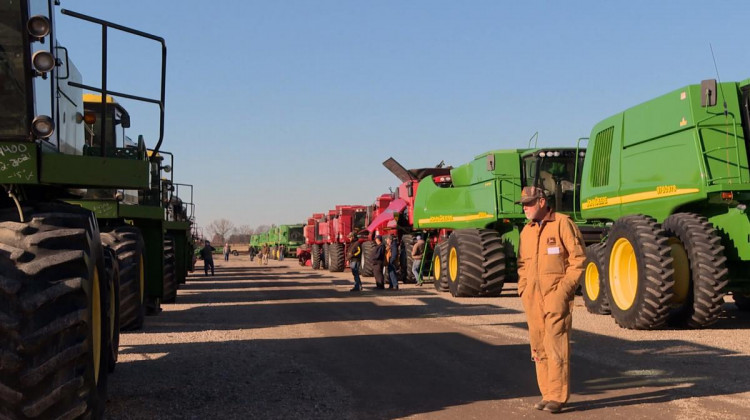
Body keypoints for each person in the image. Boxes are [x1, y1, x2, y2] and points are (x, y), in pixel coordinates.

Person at [516, 186, 586, 414]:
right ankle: (546, 393)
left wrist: (564, 291)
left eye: (529, 203)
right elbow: (522, 265)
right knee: (538, 346)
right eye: (523, 204)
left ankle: (557, 396)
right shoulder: (526, 232)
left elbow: (578, 260)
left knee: (555, 344)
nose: (525, 208)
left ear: (542, 202)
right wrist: (523, 289)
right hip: (533, 297)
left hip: (555, 295)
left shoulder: (562, 224)